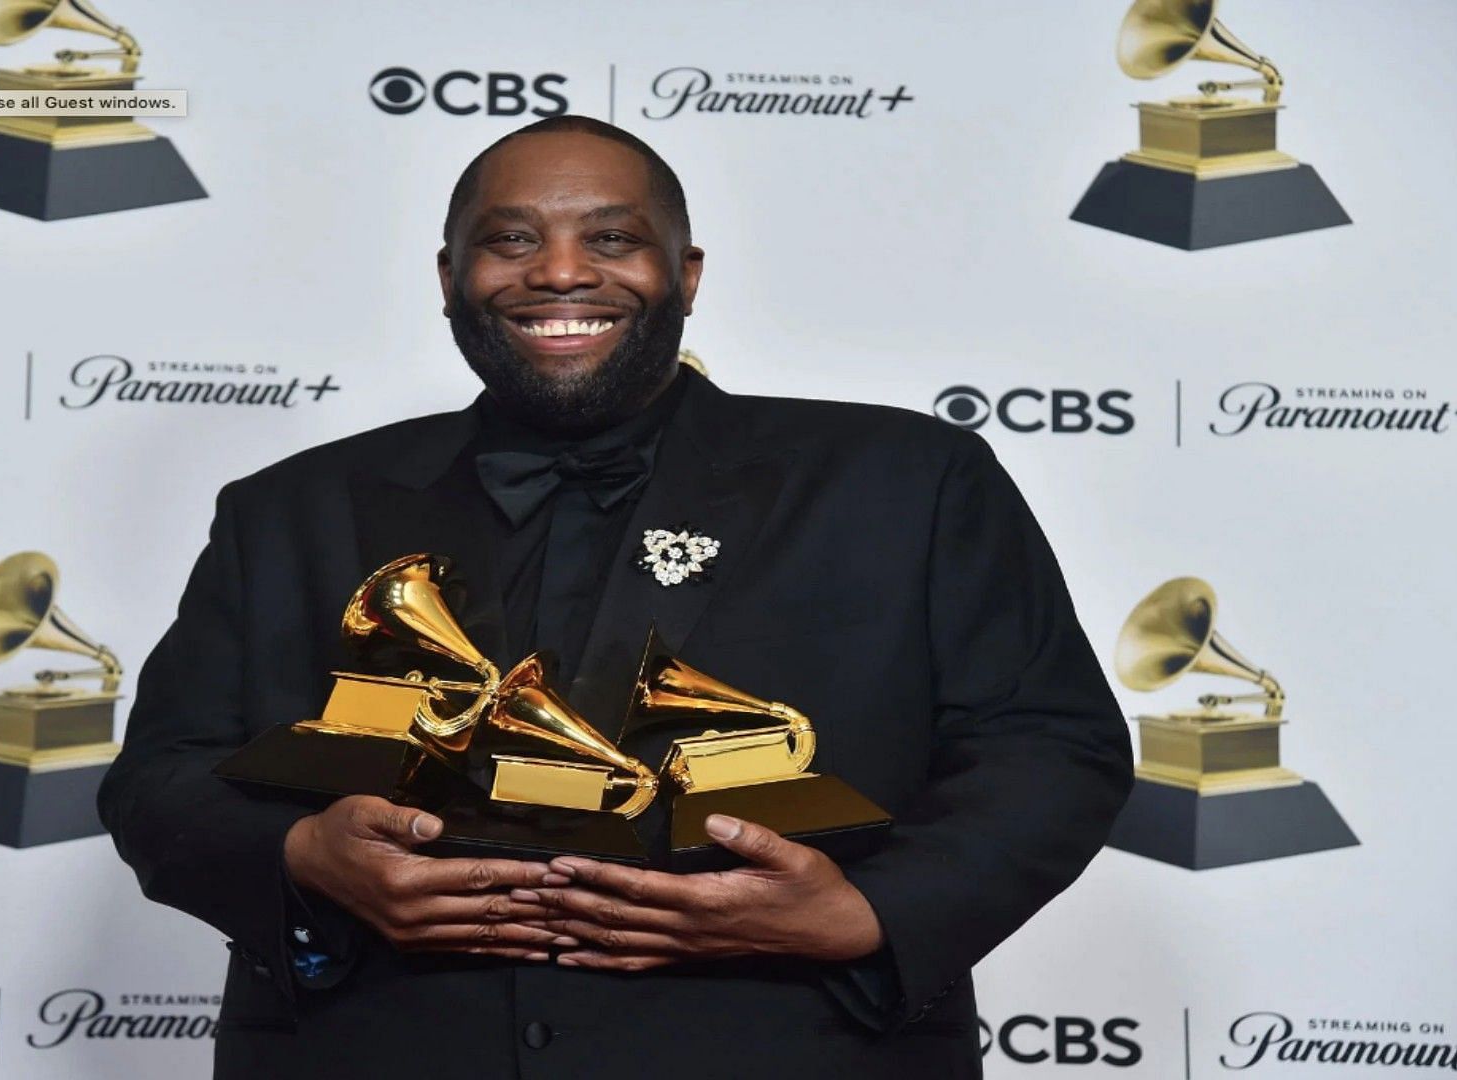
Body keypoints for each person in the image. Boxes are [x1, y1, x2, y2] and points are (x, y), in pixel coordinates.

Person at [99, 115, 1133, 1079]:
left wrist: (867, 913)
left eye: (609, 238)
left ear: (683, 273)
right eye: (509, 241)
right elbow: (161, 779)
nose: (558, 272)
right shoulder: (290, 509)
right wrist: (301, 857)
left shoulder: (909, 478)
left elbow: (1050, 746)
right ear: (449, 277)